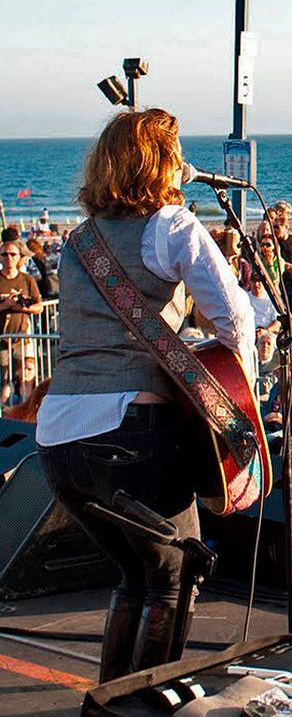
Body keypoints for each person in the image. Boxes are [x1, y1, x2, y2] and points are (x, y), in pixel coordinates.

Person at [35, 109, 257, 682]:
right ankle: (145, 705)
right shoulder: (172, 225)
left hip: (59, 438)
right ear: (162, 162)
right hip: (131, 430)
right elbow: (234, 317)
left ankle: (111, 703)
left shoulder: (77, 241)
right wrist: (237, 395)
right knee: (176, 575)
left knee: (137, 577)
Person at [1, 237, 44, 384]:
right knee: (5, 379)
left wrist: (25, 307)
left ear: (19, 257)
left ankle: (24, 406)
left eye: (13, 254)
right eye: (4, 254)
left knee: (27, 377)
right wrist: (5, 305)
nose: (9, 258)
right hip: (2, 340)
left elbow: (39, 306)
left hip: (23, 338)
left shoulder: (27, 280)